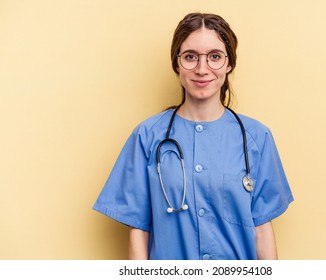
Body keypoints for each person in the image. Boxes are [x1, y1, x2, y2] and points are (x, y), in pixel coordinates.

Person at [93, 12, 293, 260]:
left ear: (229, 64)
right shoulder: (147, 137)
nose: (202, 69)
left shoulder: (257, 137)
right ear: (176, 63)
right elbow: (138, 229)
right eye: (190, 57)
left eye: (215, 57)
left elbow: (262, 229)